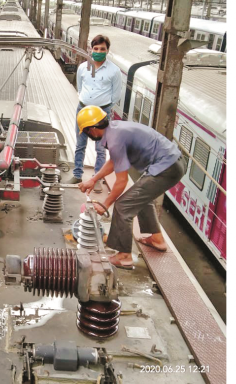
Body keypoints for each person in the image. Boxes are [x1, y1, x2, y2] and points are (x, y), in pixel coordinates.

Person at [76, 106, 186, 269]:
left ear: (92, 129)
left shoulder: (114, 139)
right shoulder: (114, 130)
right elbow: (114, 161)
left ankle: (124, 256)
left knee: (123, 206)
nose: (87, 135)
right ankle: (157, 239)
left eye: (85, 131)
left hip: (166, 167)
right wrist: (94, 179)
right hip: (173, 163)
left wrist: (105, 204)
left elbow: (121, 181)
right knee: (140, 197)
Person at [68, 34, 122, 194]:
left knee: (100, 148)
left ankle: (97, 179)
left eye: (102, 49)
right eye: (96, 48)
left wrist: (101, 108)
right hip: (83, 110)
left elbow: (116, 95)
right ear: (91, 49)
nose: (98, 51)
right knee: (80, 144)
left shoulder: (114, 71)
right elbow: (79, 87)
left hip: (102, 114)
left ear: (107, 51)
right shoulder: (83, 67)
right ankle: (77, 175)